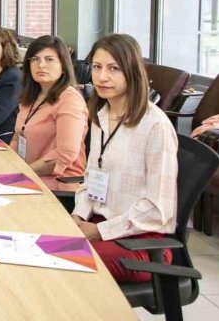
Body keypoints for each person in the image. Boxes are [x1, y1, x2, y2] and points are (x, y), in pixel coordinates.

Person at [72, 34, 178, 283]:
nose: (102, 77)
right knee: (44, 245)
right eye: (97, 67)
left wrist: (99, 230)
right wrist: (78, 216)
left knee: (64, 262)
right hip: (100, 223)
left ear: (132, 72)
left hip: (142, 241)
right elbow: (91, 179)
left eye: (114, 69)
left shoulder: (155, 126)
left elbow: (157, 209)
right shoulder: (101, 115)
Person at [9, 35, 87, 178]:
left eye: (49, 59)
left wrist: (21, 174)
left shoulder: (69, 99)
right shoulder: (31, 96)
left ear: (63, 66)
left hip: (58, 184)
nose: (41, 65)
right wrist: (9, 167)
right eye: (35, 59)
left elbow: (65, 154)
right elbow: (17, 137)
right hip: (28, 177)